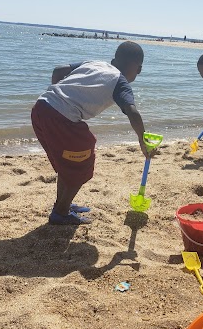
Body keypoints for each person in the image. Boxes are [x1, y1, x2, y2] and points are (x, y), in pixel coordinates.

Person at [31, 41, 151, 225]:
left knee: (69, 161)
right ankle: (60, 213)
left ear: (113, 60)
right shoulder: (121, 82)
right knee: (81, 162)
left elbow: (58, 71)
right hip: (60, 118)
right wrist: (143, 141)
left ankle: (63, 205)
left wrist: (60, 96)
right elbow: (133, 112)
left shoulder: (95, 64)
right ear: (139, 69)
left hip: (41, 107)